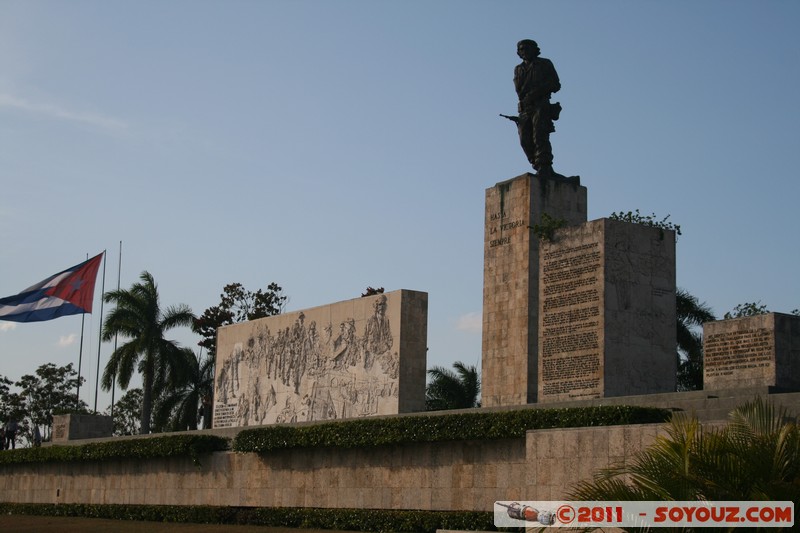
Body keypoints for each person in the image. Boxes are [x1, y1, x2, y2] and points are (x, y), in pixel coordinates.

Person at [513, 39, 562, 177]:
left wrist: (537, 93)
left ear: (535, 50)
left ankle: (544, 165)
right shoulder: (519, 69)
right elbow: (519, 90)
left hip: (541, 104)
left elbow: (555, 84)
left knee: (540, 135)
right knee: (524, 138)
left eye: (527, 48)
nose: (524, 51)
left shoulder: (545, 64)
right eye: (521, 49)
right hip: (525, 108)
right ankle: (536, 163)